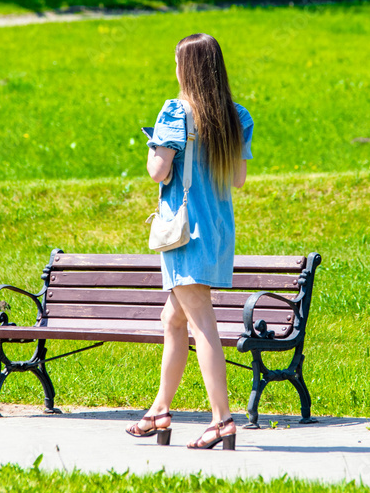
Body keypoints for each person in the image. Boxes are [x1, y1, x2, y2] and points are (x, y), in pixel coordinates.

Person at [125, 33, 253, 450]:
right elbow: (237, 179)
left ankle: (221, 420)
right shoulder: (237, 116)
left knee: (201, 323)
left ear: (186, 68)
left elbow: (158, 172)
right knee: (173, 319)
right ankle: (159, 410)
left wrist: (156, 149)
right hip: (217, 231)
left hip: (184, 232)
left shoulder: (175, 113)